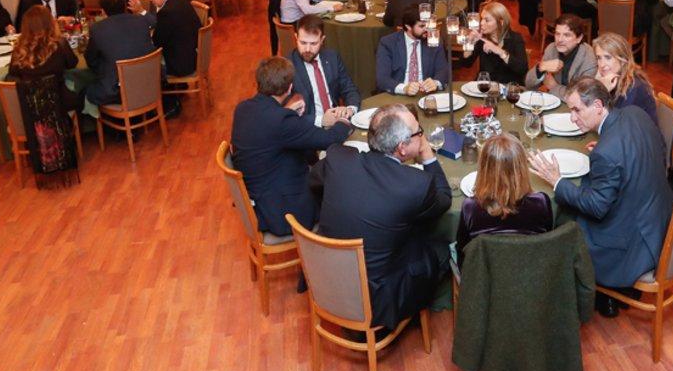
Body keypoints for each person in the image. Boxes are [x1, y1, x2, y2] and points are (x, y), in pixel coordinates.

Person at [528, 77, 673, 317]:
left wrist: (557, 181)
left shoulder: (607, 152)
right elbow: (655, 147)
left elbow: (596, 207)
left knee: (564, 223)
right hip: (657, 219)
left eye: (577, 110)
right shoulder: (635, 113)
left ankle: (576, 299)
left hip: (635, 243)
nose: (573, 117)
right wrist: (608, 147)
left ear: (597, 106)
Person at [310, 103, 451, 329]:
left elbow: (315, 184)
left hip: (326, 280)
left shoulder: (339, 158)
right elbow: (444, 199)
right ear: (402, 147)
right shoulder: (415, 185)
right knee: (441, 248)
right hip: (378, 300)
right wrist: (427, 155)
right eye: (418, 133)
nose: (421, 136)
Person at [232, 56, 352, 237]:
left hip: (261, 196)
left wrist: (290, 115)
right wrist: (343, 121)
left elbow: (272, 132)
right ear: (289, 87)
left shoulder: (243, 108)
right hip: (285, 213)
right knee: (338, 188)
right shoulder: (282, 120)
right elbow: (328, 139)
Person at [455, 135, 553, 267]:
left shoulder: (470, 207)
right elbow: (546, 244)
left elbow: (463, 251)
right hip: (531, 274)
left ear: (483, 169)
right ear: (522, 168)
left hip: (484, 279)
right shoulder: (541, 202)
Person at [84, 0, 157, 107]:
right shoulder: (141, 21)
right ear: (124, 6)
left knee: (87, 89)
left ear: (103, 11)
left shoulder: (97, 28)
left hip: (118, 91)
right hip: (150, 82)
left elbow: (91, 60)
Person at [289, 15, 361, 128]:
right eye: (303, 43)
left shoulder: (332, 57)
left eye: (313, 43)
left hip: (337, 123)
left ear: (322, 40)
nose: (307, 49)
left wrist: (350, 109)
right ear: (296, 38)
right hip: (308, 128)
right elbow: (284, 114)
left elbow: (349, 88)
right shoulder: (288, 66)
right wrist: (321, 120)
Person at [8, 6, 82, 113]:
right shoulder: (59, 44)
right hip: (58, 104)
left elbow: (12, 72)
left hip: (30, 107)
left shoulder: (19, 49)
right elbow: (72, 63)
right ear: (49, 23)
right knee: (81, 91)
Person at [130, 0, 201, 78]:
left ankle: (159, 92)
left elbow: (157, 43)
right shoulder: (182, 1)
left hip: (180, 66)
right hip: (193, 56)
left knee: (141, 65)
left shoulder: (166, 12)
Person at [375, 6, 450, 95]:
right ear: (408, 27)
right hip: (398, 95)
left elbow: (443, 70)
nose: (427, 29)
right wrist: (404, 88)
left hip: (426, 94)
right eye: (422, 26)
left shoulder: (433, 40)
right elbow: (382, 79)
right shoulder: (388, 43)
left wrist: (436, 82)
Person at [593, 32, 658, 125]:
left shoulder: (634, 87)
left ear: (623, 60)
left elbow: (616, 124)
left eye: (608, 57)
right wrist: (596, 86)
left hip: (639, 137)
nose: (602, 64)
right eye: (599, 58)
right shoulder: (610, 78)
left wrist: (602, 92)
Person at [525, 14, 596, 98]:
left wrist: (554, 87)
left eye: (567, 35)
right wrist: (540, 68)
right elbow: (528, 85)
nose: (560, 40)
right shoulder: (551, 49)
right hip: (553, 102)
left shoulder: (589, 58)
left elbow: (582, 97)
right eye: (557, 34)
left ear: (579, 38)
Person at [462, 2, 528, 85]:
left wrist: (500, 52)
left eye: (487, 20)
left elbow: (522, 69)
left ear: (501, 22)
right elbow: (466, 64)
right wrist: (469, 43)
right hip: (485, 87)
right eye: (481, 18)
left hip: (509, 89)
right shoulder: (482, 38)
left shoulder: (515, 38)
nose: (482, 23)